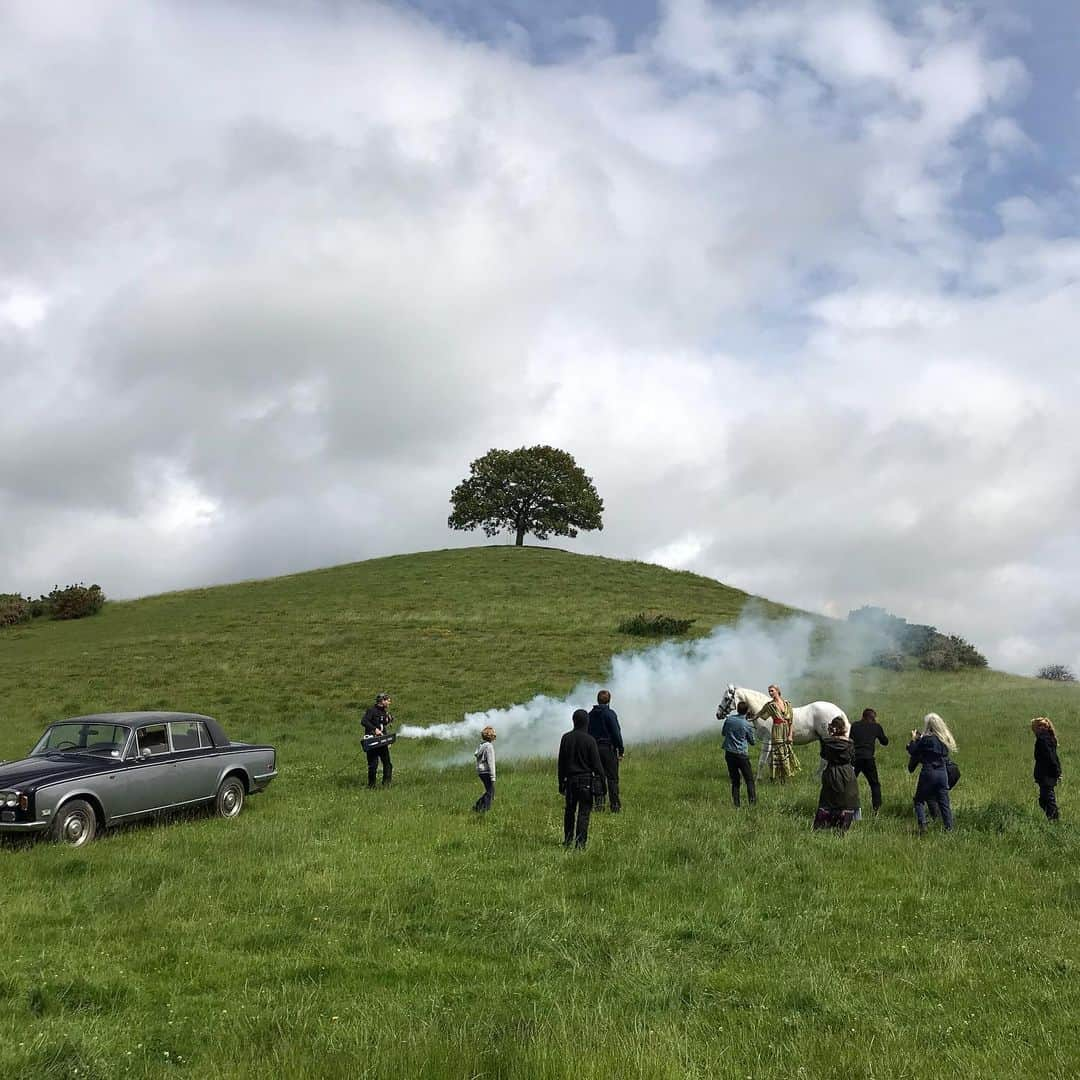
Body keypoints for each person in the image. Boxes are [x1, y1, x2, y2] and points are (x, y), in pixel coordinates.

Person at [558, 709, 604, 849]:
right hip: (586, 782)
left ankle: (567, 840)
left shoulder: (566, 738)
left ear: (574, 721)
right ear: (587, 722)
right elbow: (597, 765)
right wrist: (603, 783)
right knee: (584, 813)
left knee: (569, 811)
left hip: (570, 781)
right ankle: (580, 844)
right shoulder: (590, 740)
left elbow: (561, 763)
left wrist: (561, 782)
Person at [906, 712, 957, 834]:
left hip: (929, 772)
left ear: (928, 725)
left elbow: (914, 751)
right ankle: (949, 829)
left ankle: (923, 826)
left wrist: (914, 740)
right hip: (942, 773)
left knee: (919, 800)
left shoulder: (927, 740)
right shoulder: (945, 739)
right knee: (944, 803)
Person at [814, 716, 860, 831]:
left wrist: (829, 736)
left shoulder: (826, 742)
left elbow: (824, 755)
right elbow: (853, 758)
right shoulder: (850, 743)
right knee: (847, 799)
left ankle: (824, 825)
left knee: (828, 799)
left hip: (831, 771)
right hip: (847, 772)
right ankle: (843, 826)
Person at [588, 690, 624, 813]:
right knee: (612, 779)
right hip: (608, 750)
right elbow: (616, 733)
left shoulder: (590, 715)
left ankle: (599, 806)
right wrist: (621, 749)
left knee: (598, 777)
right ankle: (615, 807)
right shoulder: (610, 714)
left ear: (597, 700)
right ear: (609, 700)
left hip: (594, 750)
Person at [756, 684, 800, 782]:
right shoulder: (769, 705)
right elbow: (761, 714)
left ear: (777, 691)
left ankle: (786, 775)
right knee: (778, 753)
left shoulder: (787, 704)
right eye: (769, 692)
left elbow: (790, 721)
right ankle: (777, 776)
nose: (770, 693)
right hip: (776, 730)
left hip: (786, 730)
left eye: (772, 691)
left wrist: (790, 735)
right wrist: (753, 717)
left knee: (786, 751)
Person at [849, 707, 889, 812]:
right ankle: (877, 809)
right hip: (868, 759)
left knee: (849, 783)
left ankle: (847, 806)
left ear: (862, 716)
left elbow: (850, 739)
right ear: (874, 718)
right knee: (875, 784)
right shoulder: (876, 726)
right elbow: (885, 742)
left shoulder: (855, 725)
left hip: (855, 758)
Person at [719, 700, 757, 807]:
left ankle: (736, 804)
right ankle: (752, 803)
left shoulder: (729, 720)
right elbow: (752, 742)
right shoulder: (747, 724)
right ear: (747, 711)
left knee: (735, 780)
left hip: (729, 753)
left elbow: (723, 733)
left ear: (737, 709)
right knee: (749, 780)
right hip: (741, 755)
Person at [361, 692, 394, 788]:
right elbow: (364, 721)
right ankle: (371, 786)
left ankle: (386, 785)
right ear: (382, 701)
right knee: (373, 765)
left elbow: (383, 726)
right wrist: (375, 730)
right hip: (372, 742)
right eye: (388, 700)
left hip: (382, 742)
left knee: (387, 763)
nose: (389, 702)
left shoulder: (384, 712)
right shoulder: (371, 710)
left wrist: (387, 740)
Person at [1031, 716, 1061, 821]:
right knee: (1044, 799)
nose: (1041, 728)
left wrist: (1056, 772)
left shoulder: (1043, 739)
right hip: (1047, 774)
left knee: (1048, 799)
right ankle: (1052, 818)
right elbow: (1054, 757)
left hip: (1046, 774)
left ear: (1047, 727)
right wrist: (1058, 771)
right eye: (1039, 726)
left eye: (1043, 726)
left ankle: (1054, 820)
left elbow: (1051, 757)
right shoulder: (1049, 738)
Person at [472, 725, 497, 812]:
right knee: (490, 792)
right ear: (491, 736)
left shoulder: (481, 745)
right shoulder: (489, 747)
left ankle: (478, 807)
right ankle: (484, 809)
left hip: (481, 771)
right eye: (494, 734)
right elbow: (491, 762)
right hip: (486, 771)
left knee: (489, 791)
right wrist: (493, 777)